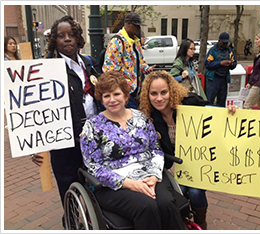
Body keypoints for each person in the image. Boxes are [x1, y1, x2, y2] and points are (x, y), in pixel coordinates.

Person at [80, 71, 185, 230]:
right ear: (101, 98)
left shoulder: (141, 117)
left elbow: (155, 150)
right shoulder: (92, 126)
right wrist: (129, 184)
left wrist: (153, 176)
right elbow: (93, 166)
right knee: (146, 206)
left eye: (116, 94)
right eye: (106, 96)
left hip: (149, 175)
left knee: (166, 204)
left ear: (126, 96)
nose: (112, 100)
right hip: (113, 184)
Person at [139, 70, 237, 229]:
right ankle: (185, 219)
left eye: (164, 92)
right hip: (173, 163)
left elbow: (214, 112)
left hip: (199, 159)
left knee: (196, 192)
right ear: (147, 95)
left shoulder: (189, 103)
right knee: (181, 190)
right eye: (153, 93)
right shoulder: (149, 117)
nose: (159, 98)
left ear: (171, 90)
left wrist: (230, 113)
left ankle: (200, 222)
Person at [31, 15, 103, 224]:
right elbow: (34, 111)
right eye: (61, 36)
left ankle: (95, 222)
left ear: (78, 38)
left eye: (71, 35)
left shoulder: (88, 64)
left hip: (93, 139)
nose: (67, 39)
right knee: (68, 189)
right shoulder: (47, 70)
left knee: (97, 186)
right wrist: (36, 144)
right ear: (54, 41)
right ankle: (71, 223)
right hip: (64, 142)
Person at [103, 12, 155, 109]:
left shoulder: (136, 42)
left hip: (136, 91)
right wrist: (123, 86)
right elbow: (110, 70)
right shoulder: (117, 41)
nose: (138, 29)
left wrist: (146, 68)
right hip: (124, 92)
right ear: (128, 24)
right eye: (136, 26)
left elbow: (140, 61)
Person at [204, 32, 237, 107]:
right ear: (219, 41)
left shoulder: (229, 51)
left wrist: (231, 64)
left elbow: (234, 63)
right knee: (210, 100)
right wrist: (220, 63)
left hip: (224, 78)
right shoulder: (213, 51)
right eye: (224, 43)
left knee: (222, 100)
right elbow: (207, 64)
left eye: (227, 43)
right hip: (213, 78)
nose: (225, 45)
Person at [244, 30, 260, 109]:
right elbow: (255, 70)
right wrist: (250, 82)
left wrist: (252, 82)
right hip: (257, 82)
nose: (255, 41)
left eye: (257, 39)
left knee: (247, 105)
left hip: (259, 83)